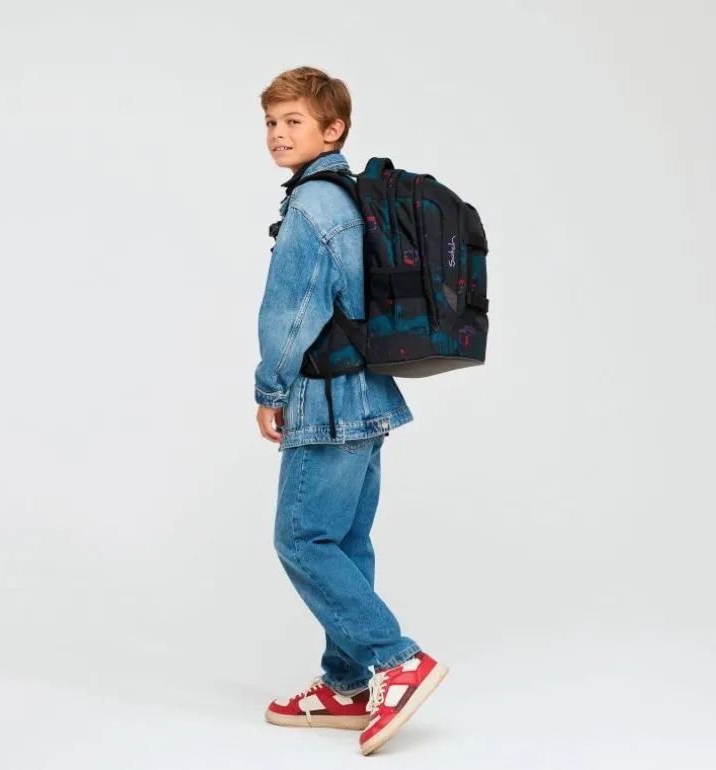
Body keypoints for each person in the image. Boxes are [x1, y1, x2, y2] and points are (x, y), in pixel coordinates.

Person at [254, 66, 449, 756]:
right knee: (344, 541)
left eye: (294, 122)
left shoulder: (312, 203)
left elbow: (292, 312)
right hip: (371, 394)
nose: (278, 134)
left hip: (327, 400)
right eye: (271, 122)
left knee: (302, 540)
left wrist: (270, 389)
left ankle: (397, 660)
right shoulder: (354, 195)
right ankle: (345, 683)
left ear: (333, 129)